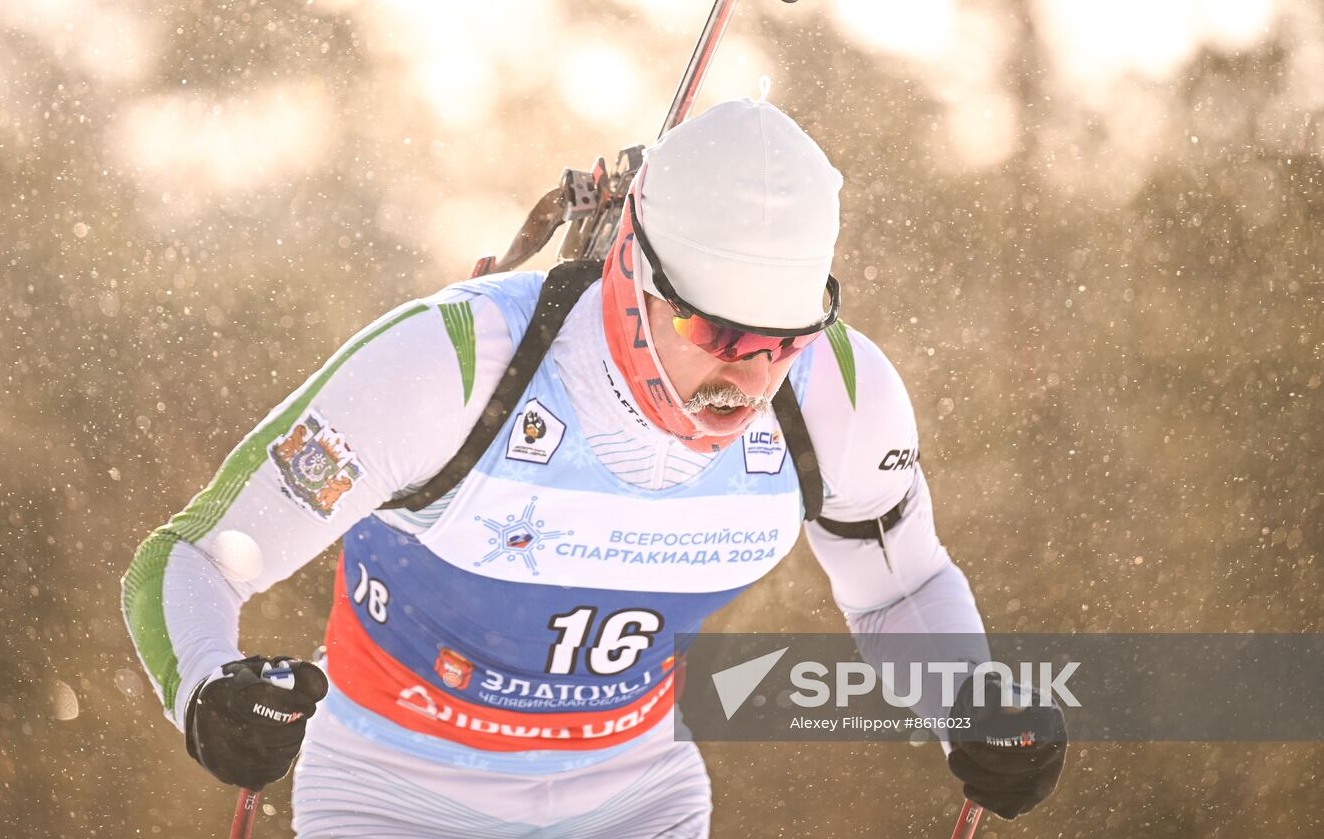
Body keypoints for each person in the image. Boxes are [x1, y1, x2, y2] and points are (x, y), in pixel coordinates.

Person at [122, 97, 1065, 837]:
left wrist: (969, 704)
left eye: (784, 339)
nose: (748, 374)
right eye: (716, 331)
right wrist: (210, 690)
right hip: (394, 799)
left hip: (633, 806)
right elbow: (189, 557)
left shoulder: (840, 397)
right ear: (633, 274)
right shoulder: (450, 368)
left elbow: (899, 588)